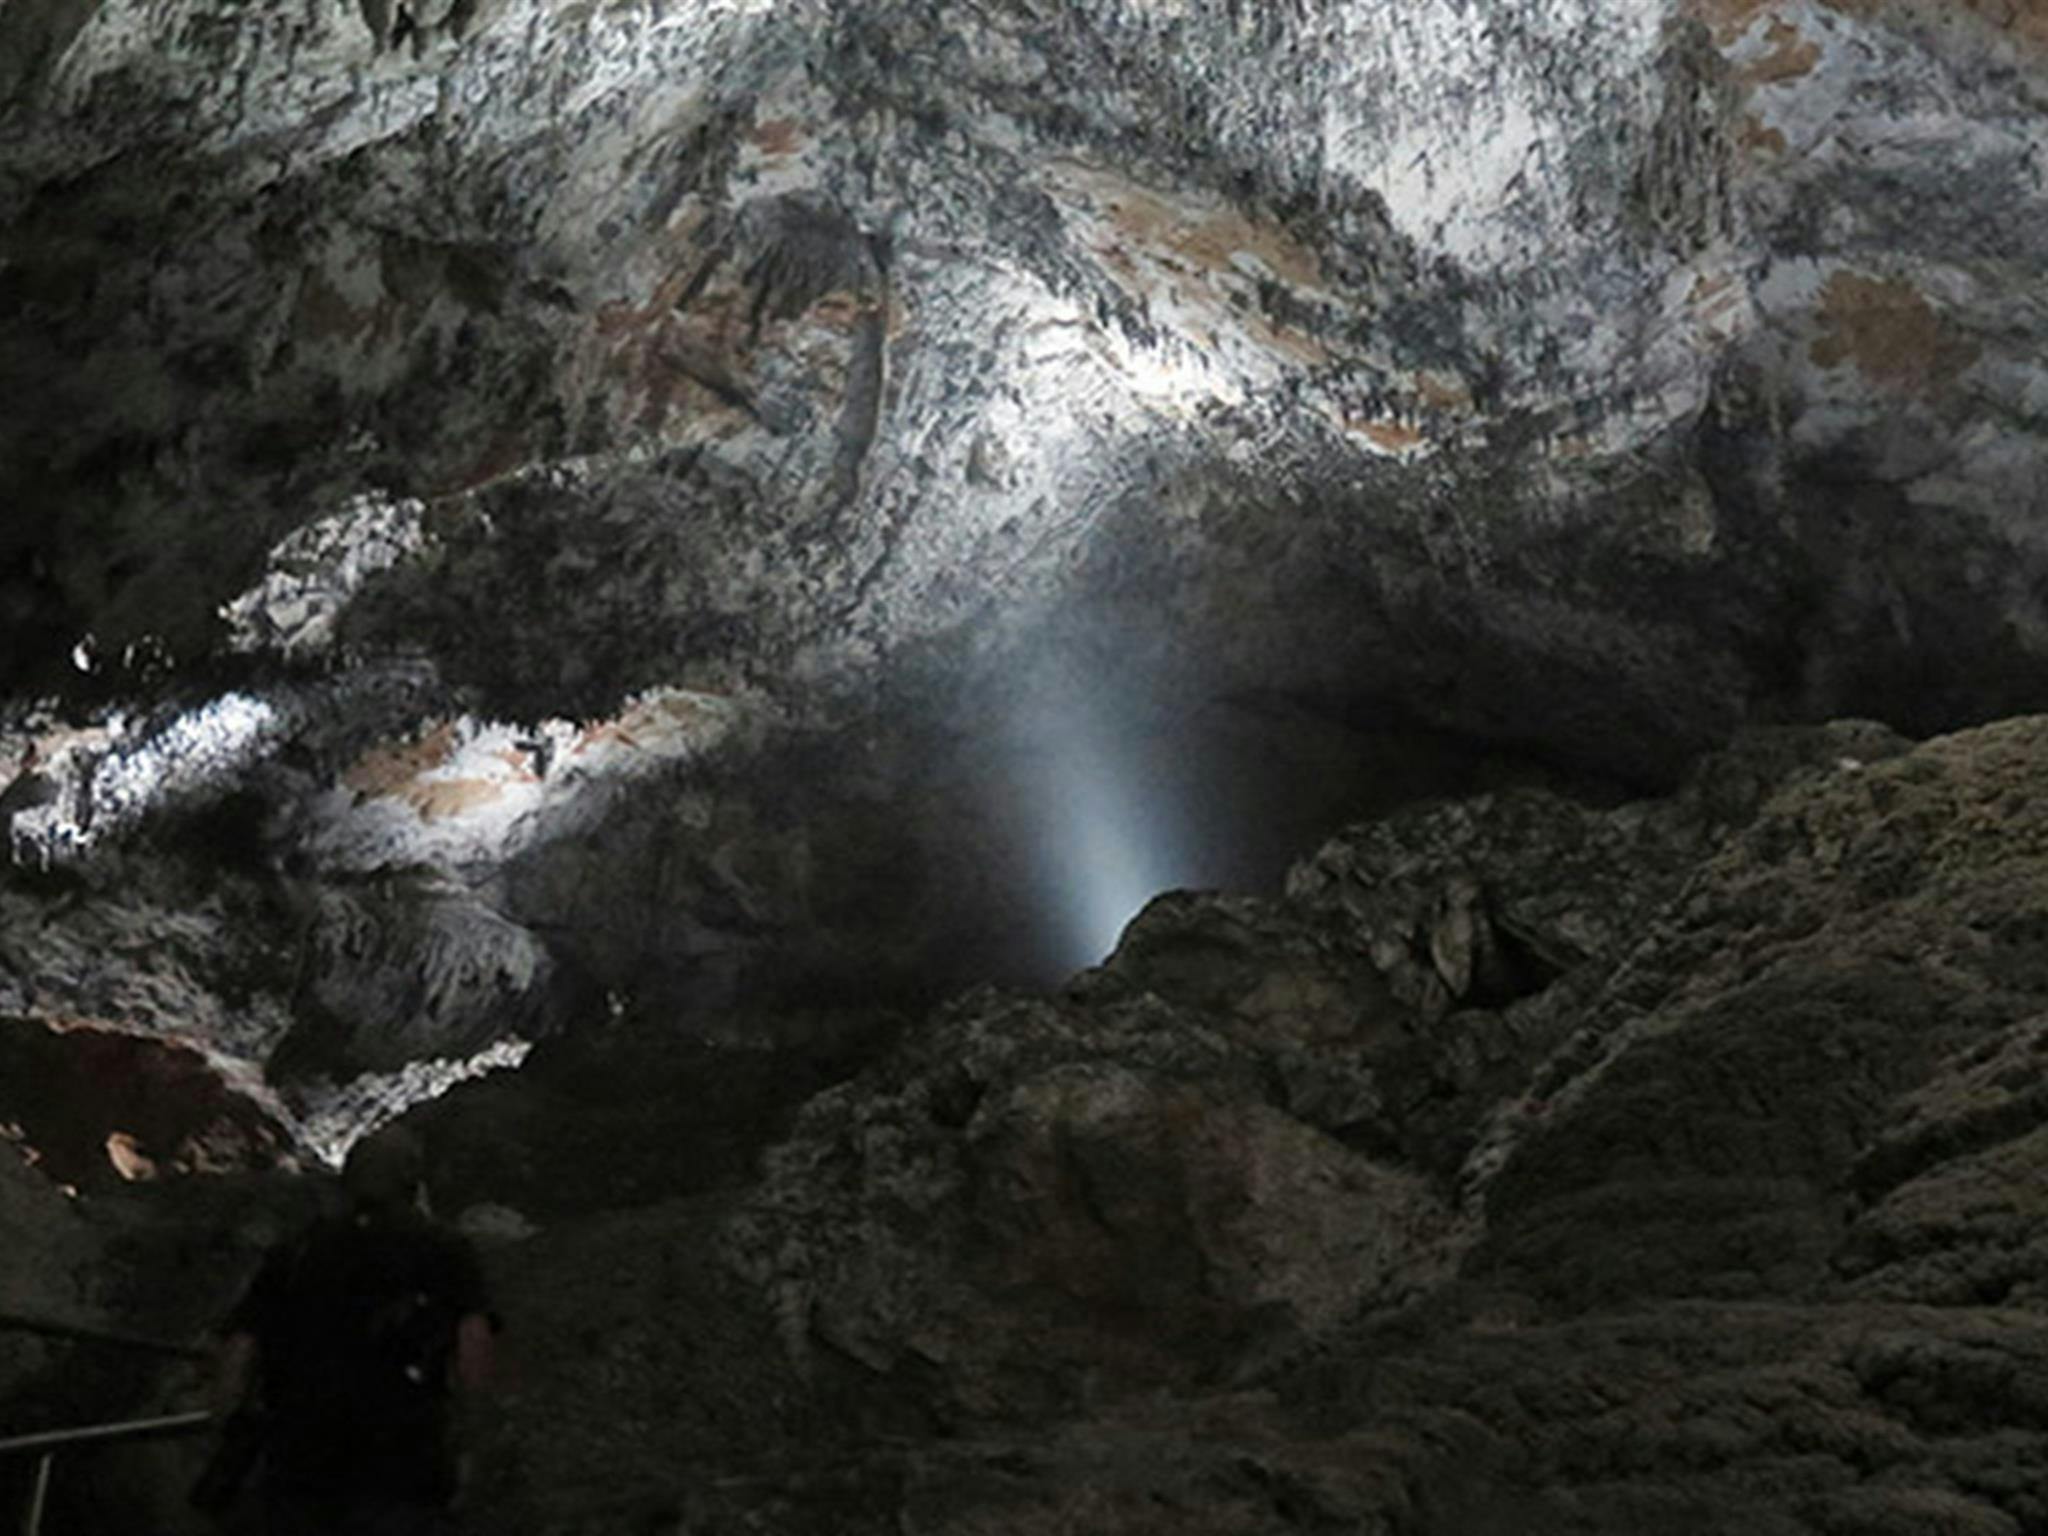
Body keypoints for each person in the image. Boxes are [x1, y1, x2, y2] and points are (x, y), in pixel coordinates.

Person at [206, 1125, 496, 1534]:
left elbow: (241, 1346)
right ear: (412, 1180)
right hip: (402, 1461)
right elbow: (473, 1348)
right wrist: (474, 1441)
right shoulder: (443, 1249)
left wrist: (228, 1433)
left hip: (300, 1458)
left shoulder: (299, 1249)